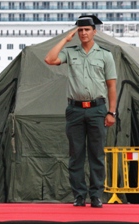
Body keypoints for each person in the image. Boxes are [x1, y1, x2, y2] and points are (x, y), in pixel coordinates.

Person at [45, 15, 117, 208]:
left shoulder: (105, 55)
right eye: (80, 30)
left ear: (95, 31)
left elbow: (111, 86)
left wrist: (112, 112)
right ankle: (79, 195)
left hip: (97, 109)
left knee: (96, 155)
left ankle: (96, 195)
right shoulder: (70, 52)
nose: (83, 33)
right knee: (76, 154)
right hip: (75, 110)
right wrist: (64, 40)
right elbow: (50, 59)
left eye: (87, 29)